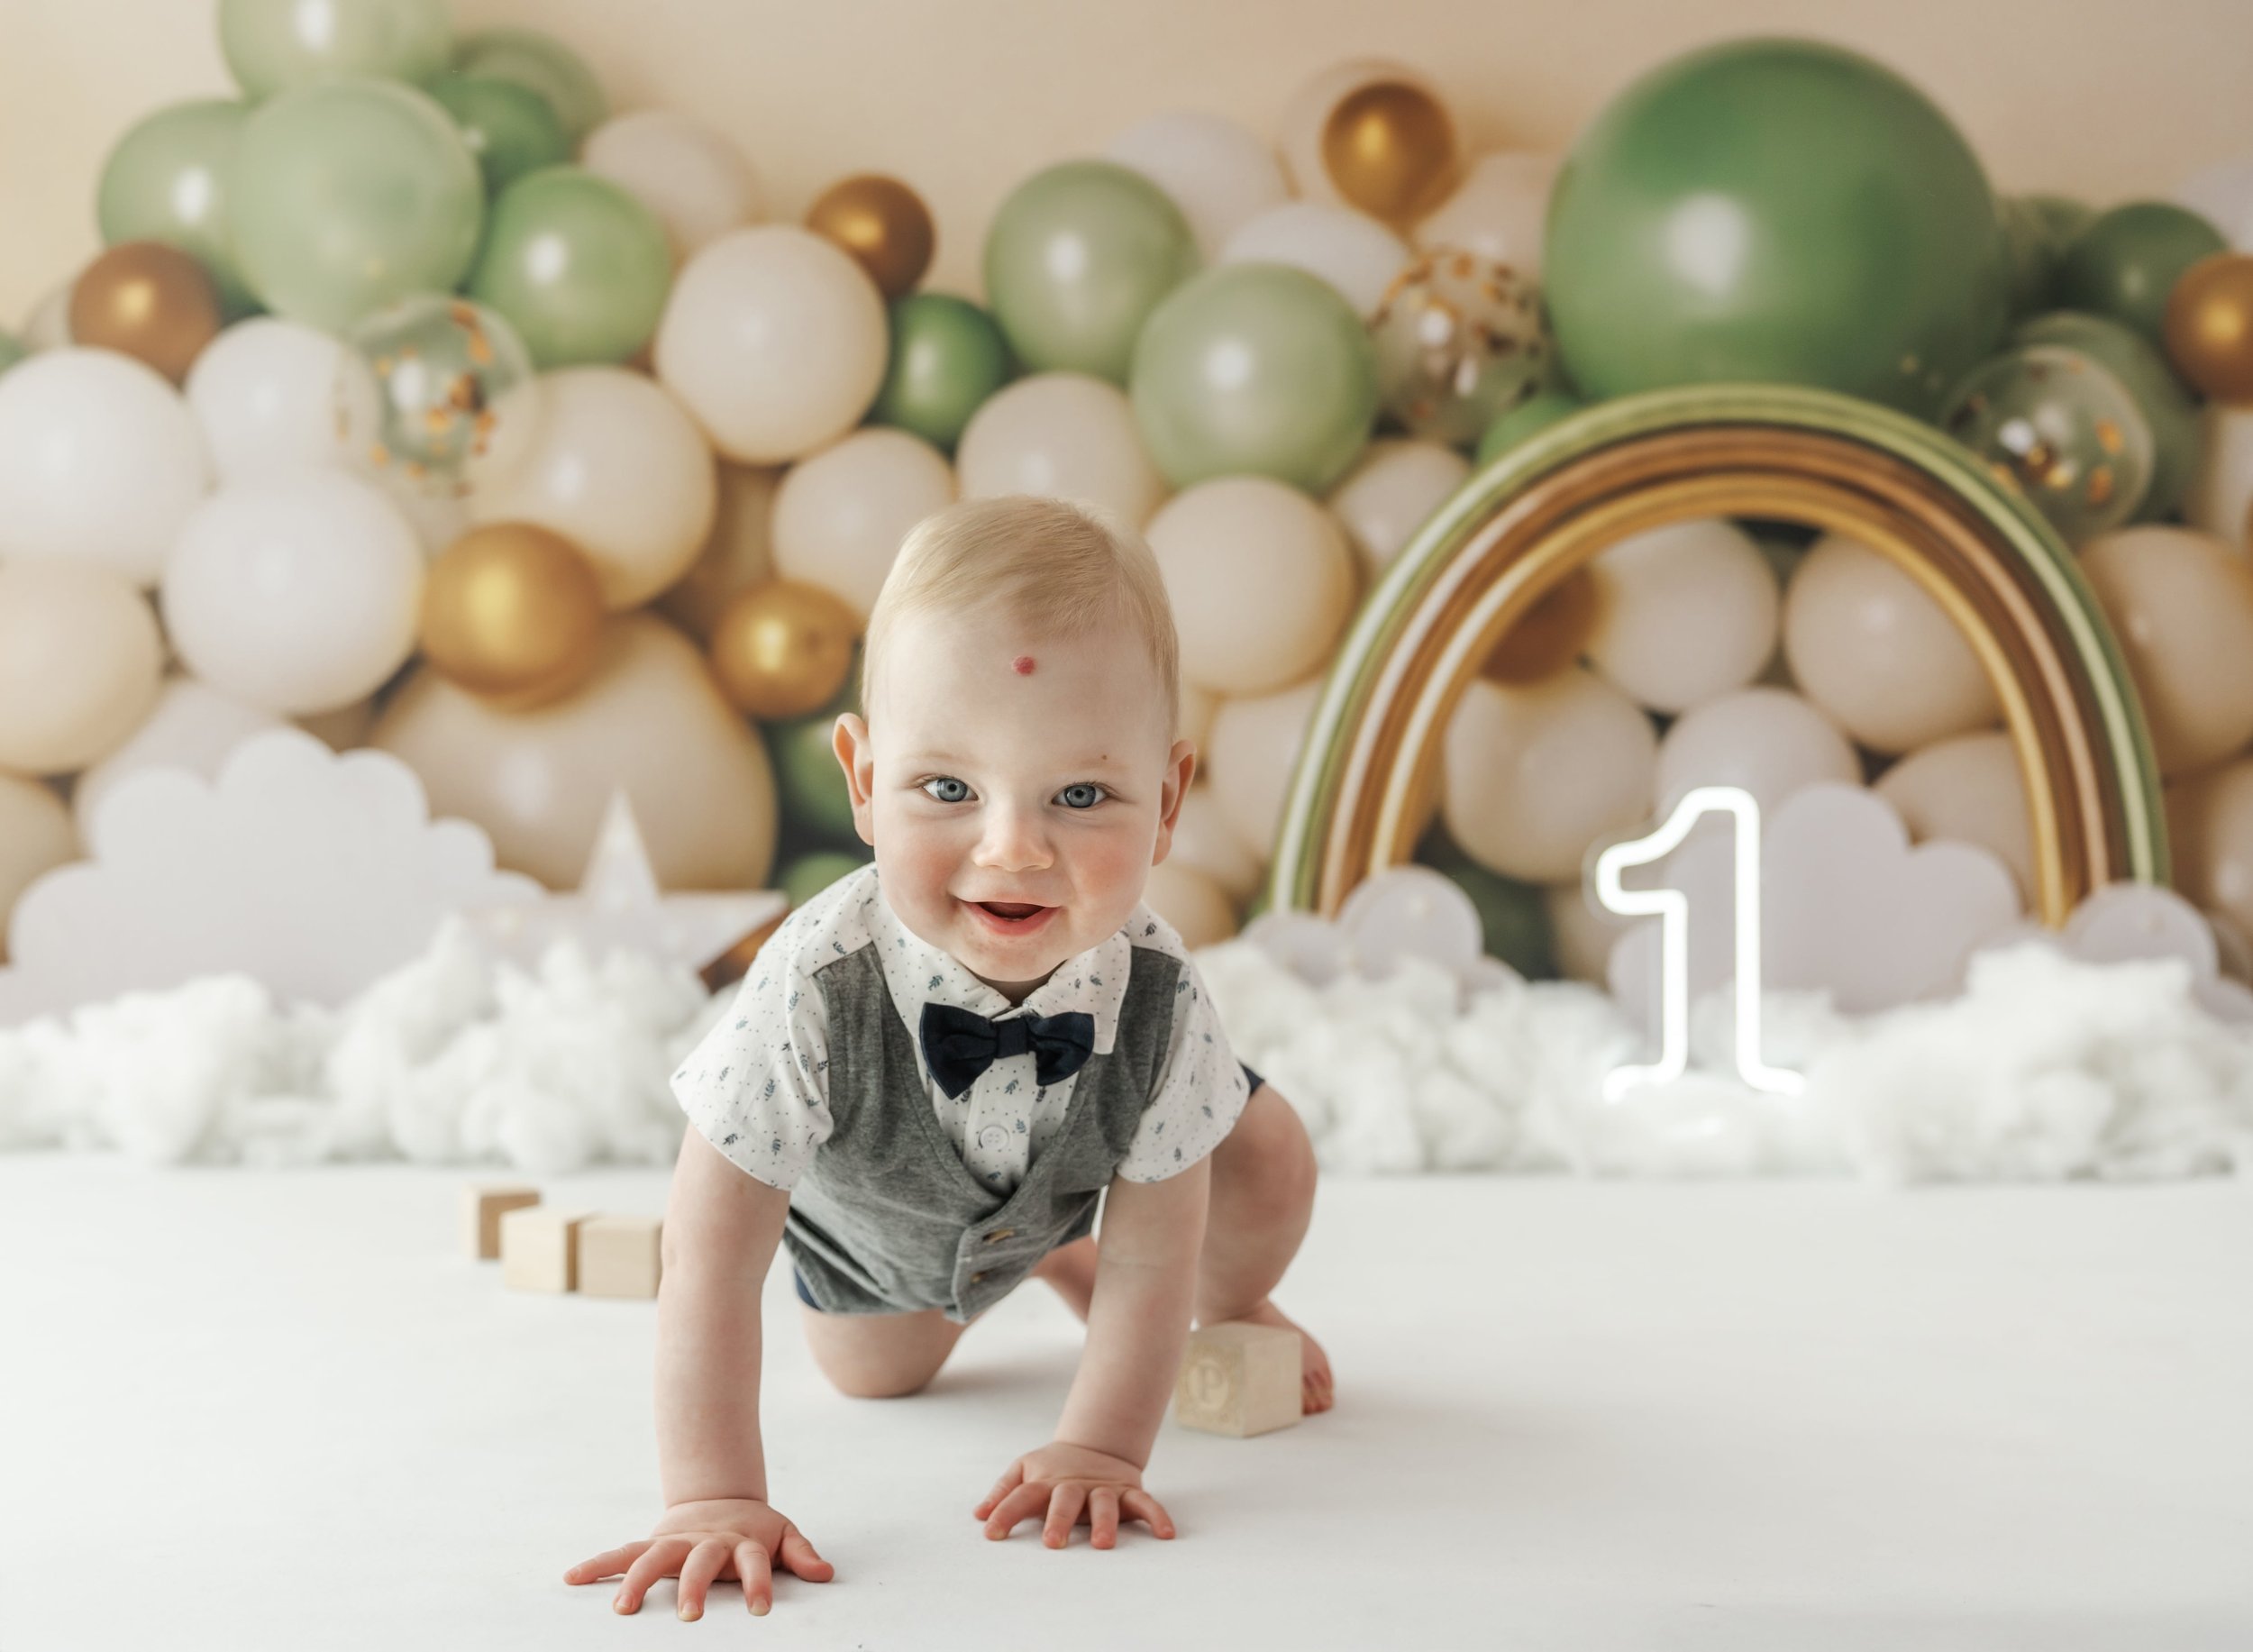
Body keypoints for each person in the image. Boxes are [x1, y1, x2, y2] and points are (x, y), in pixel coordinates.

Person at [565, 494, 1330, 1620]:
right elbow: (710, 1258)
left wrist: (1102, 1450)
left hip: (1082, 1178)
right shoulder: (810, 984)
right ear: (865, 781)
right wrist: (711, 1498)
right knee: (875, 1375)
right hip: (882, 1230)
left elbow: (1153, 1256)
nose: (1012, 846)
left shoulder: (1159, 993)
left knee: (1262, 1152)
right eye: (949, 788)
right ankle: (1051, 1257)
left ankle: (1153, 1273)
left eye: (1079, 795)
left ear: (1166, 802)